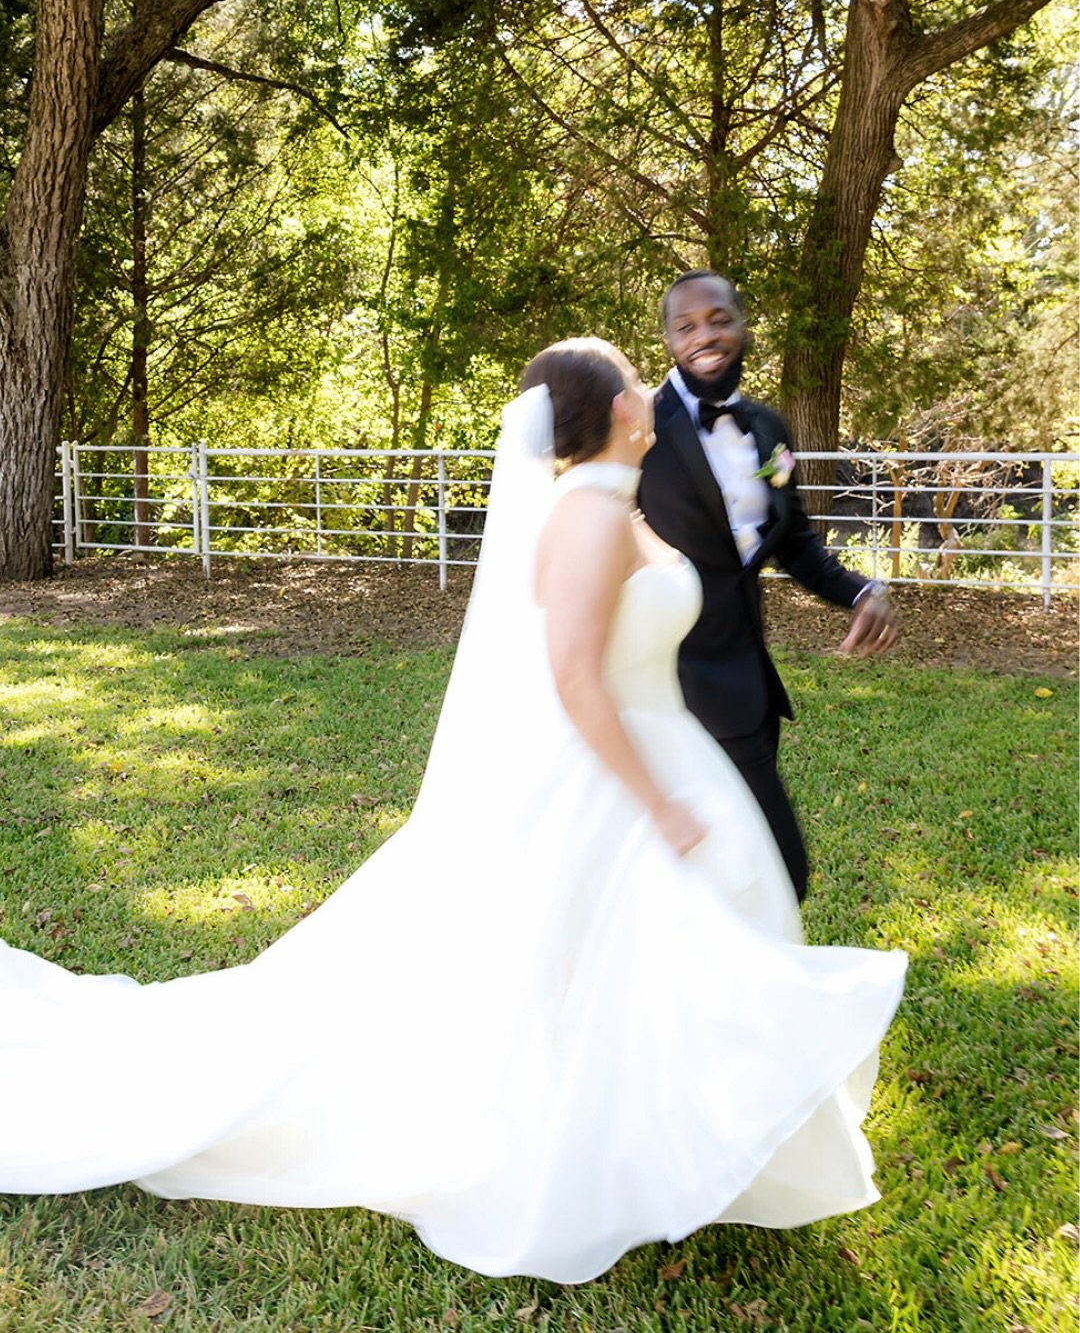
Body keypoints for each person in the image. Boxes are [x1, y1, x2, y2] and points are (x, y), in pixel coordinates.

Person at [0, 338, 906, 1286]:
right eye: (636, 379)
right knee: (617, 963)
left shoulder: (616, 503)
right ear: (617, 413)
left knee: (655, 967)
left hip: (669, 754)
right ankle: (614, 1159)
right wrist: (657, 803)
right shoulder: (587, 522)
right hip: (619, 780)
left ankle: (669, 1147)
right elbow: (569, 679)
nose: (651, 388)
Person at [639, 271, 898, 901]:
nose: (707, 335)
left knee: (760, 874)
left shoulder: (767, 429)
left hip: (745, 687)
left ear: (743, 323)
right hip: (662, 688)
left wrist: (860, 590)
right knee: (767, 872)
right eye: (687, 326)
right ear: (668, 341)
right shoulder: (636, 427)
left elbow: (792, 541)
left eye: (719, 318)